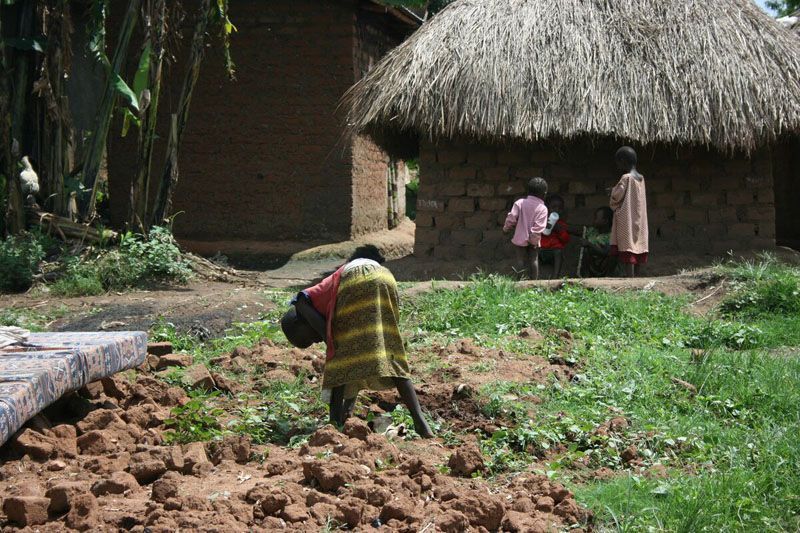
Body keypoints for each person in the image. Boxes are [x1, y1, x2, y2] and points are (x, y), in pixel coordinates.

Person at [281, 245, 434, 438]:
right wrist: (349, 407)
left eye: (309, 338)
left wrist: (331, 342)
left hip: (356, 280)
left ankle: (334, 424)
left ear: (301, 322)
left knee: (338, 360)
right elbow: (351, 366)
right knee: (391, 352)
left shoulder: (305, 302)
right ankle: (421, 423)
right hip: (386, 278)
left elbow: (302, 304)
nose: (316, 340)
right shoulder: (341, 291)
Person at [610, 146, 649, 277]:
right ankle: (637, 277)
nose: (617, 166)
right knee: (637, 245)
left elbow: (618, 195)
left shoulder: (626, 178)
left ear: (623, 161)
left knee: (628, 247)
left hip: (627, 218)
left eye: (618, 163)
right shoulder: (641, 178)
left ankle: (630, 277)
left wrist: (611, 192)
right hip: (638, 218)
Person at [503, 177, 549, 280]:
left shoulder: (519, 203)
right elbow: (539, 227)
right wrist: (533, 241)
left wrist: (506, 229)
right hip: (534, 239)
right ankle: (534, 283)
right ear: (544, 194)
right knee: (534, 260)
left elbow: (511, 218)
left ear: (528, 191)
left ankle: (519, 282)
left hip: (520, 236)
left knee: (520, 260)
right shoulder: (543, 209)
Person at [577, 206, 621, 277]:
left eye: (596, 218)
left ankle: (609, 277)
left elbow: (606, 252)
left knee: (612, 256)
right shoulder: (591, 231)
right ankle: (586, 277)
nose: (594, 220)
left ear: (605, 221)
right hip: (592, 264)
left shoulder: (612, 236)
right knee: (586, 252)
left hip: (605, 266)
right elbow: (576, 230)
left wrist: (589, 244)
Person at [539, 194, 571, 279]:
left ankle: (555, 277)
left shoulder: (561, 224)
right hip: (541, 249)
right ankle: (534, 275)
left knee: (558, 252)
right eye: (553, 207)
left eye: (559, 208)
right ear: (547, 208)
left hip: (553, 251)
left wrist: (559, 231)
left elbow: (566, 240)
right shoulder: (542, 221)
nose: (556, 210)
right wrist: (547, 226)